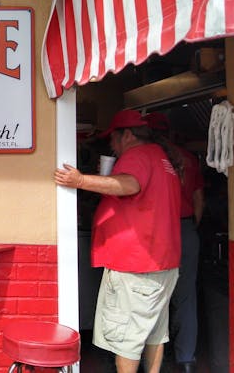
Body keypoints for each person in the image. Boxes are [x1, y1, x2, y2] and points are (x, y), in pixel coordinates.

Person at [54, 109, 183, 373]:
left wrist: (79, 181)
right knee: (154, 333)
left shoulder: (136, 156)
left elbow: (129, 185)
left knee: (127, 340)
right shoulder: (160, 157)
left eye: (112, 139)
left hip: (136, 267)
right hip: (161, 263)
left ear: (127, 135)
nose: (111, 146)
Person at [144, 112, 205, 373]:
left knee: (154, 294)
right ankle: (186, 360)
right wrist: (189, 226)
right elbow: (200, 201)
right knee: (186, 297)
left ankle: (153, 358)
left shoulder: (150, 159)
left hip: (160, 231)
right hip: (187, 228)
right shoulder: (188, 159)